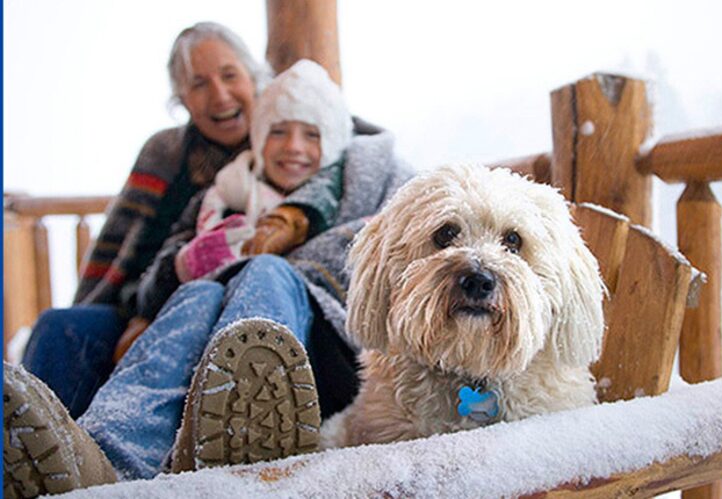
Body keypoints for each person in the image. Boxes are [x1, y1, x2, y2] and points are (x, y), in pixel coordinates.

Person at [4, 59, 415, 496]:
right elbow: (152, 282)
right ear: (259, 138)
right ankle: (106, 455)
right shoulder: (220, 197)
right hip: (205, 330)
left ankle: (245, 421)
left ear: (333, 142)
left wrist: (260, 254)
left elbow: (369, 256)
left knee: (264, 269)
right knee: (197, 293)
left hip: (317, 347)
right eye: (278, 131)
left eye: (312, 134)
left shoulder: (359, 189)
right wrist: (187, 263)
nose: (293, 146)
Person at [20, 22, 271, 419]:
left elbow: (348, 133)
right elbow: (120, 246)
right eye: (199, 84)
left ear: (253, 79)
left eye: (229, 75)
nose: (219, 95)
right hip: (140, 300)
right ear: (183, 99)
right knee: (60, 328)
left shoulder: (284, 141)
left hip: (216, 310)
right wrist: (139, 314)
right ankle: (33, 459)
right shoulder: (165, 150)